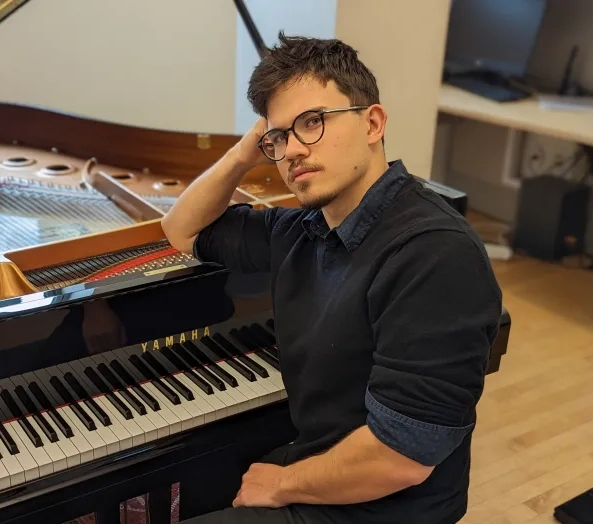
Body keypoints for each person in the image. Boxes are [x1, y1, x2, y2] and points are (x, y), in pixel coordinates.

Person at [160, 32, 503, 524]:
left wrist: (282, 484)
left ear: (373, 123)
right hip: (322, 460)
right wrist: (242, 154)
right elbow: (182, 230)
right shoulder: (305, 228)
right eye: (278, 138)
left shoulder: (434, 253)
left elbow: (401, 457)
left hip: (387, 505)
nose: (292, 150)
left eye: (313, 122)